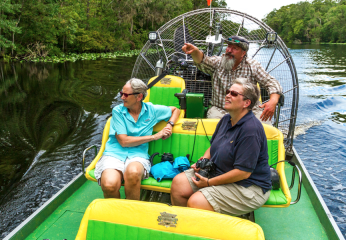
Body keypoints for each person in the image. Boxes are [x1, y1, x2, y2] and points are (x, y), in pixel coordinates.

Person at [170, 77, 271, 216]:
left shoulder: (250, 130)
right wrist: (202, 162)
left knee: (196, 202)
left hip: (247, 185)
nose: (228, 95)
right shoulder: (225, 119)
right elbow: (213, 147)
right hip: (220, 172)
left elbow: (243, 172)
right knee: (178, 184)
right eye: (228, 91)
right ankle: (186, 228)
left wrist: (209, 182)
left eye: (234, 94)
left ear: (246, 103)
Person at [94, 78, 180, 200]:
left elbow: (175, 110)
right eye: (121, 93)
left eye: (125, 95)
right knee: (109, 185)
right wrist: (155, 136)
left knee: (133, 173)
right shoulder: (118, 111)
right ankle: (115, 214)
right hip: (114, 153)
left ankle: (130, 212)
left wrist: (169, 125)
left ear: (139, 97)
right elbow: (123, 142)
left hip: (138, 154)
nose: (122, 97)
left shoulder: (152, 111)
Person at [182, 35, 282, 124]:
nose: (229, 50)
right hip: (221, 109)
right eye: (228, 46)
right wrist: (194, 51)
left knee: (264, 127)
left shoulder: (253, 66)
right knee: (214, 128)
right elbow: (202, 61)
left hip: (249, 110)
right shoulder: (218, 62)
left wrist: (273, 101)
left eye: (234, 48)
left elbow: (272, 83)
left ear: (243, 53)